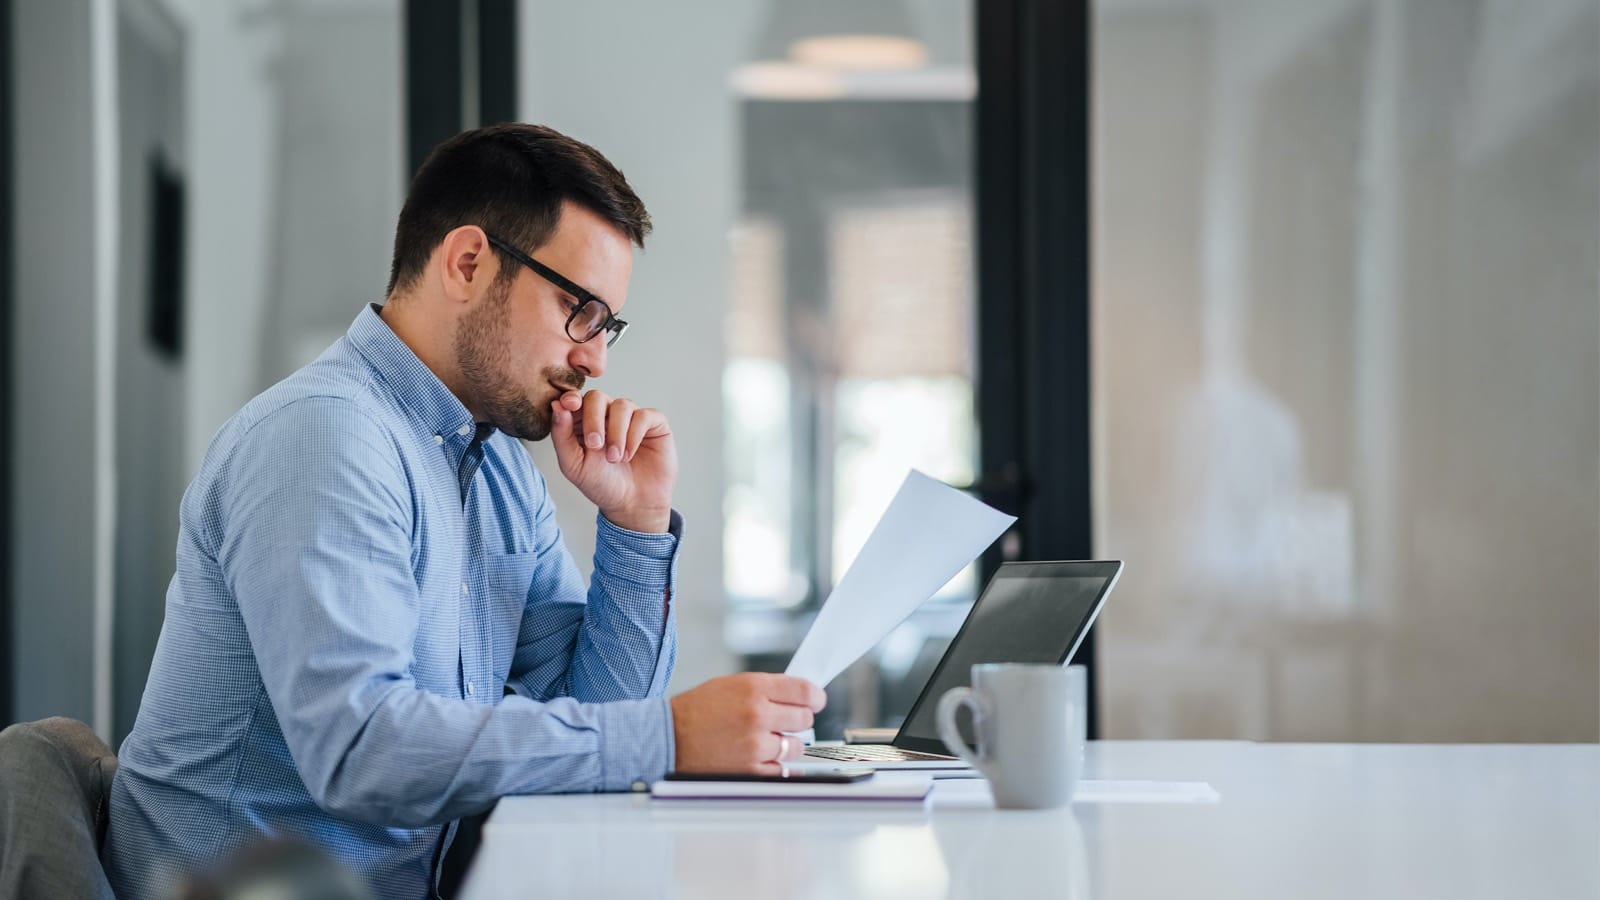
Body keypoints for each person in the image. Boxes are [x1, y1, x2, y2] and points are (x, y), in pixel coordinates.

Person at [103, 123, 825, 900]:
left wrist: (638, 524)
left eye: (606, 325)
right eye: (578, 309)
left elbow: (595, 717)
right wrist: (670, 738)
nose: (595, 359)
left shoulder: (499, 467)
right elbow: (359, 751)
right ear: (469, 262)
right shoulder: (326, 437)